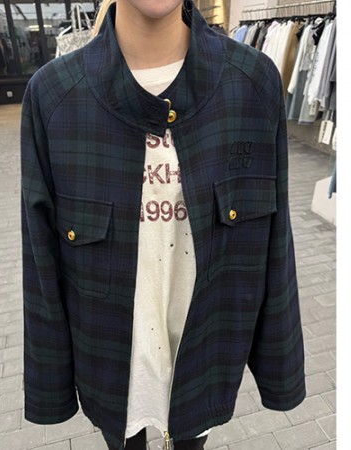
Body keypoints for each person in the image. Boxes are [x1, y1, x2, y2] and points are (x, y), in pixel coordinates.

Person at [20, 1, 306, 449]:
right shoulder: (54, 96)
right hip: (109, 368)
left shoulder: (252, 82)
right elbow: (40, 259)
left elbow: (275, 243)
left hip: (206, 360)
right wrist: (49, 388)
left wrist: (279, 371)